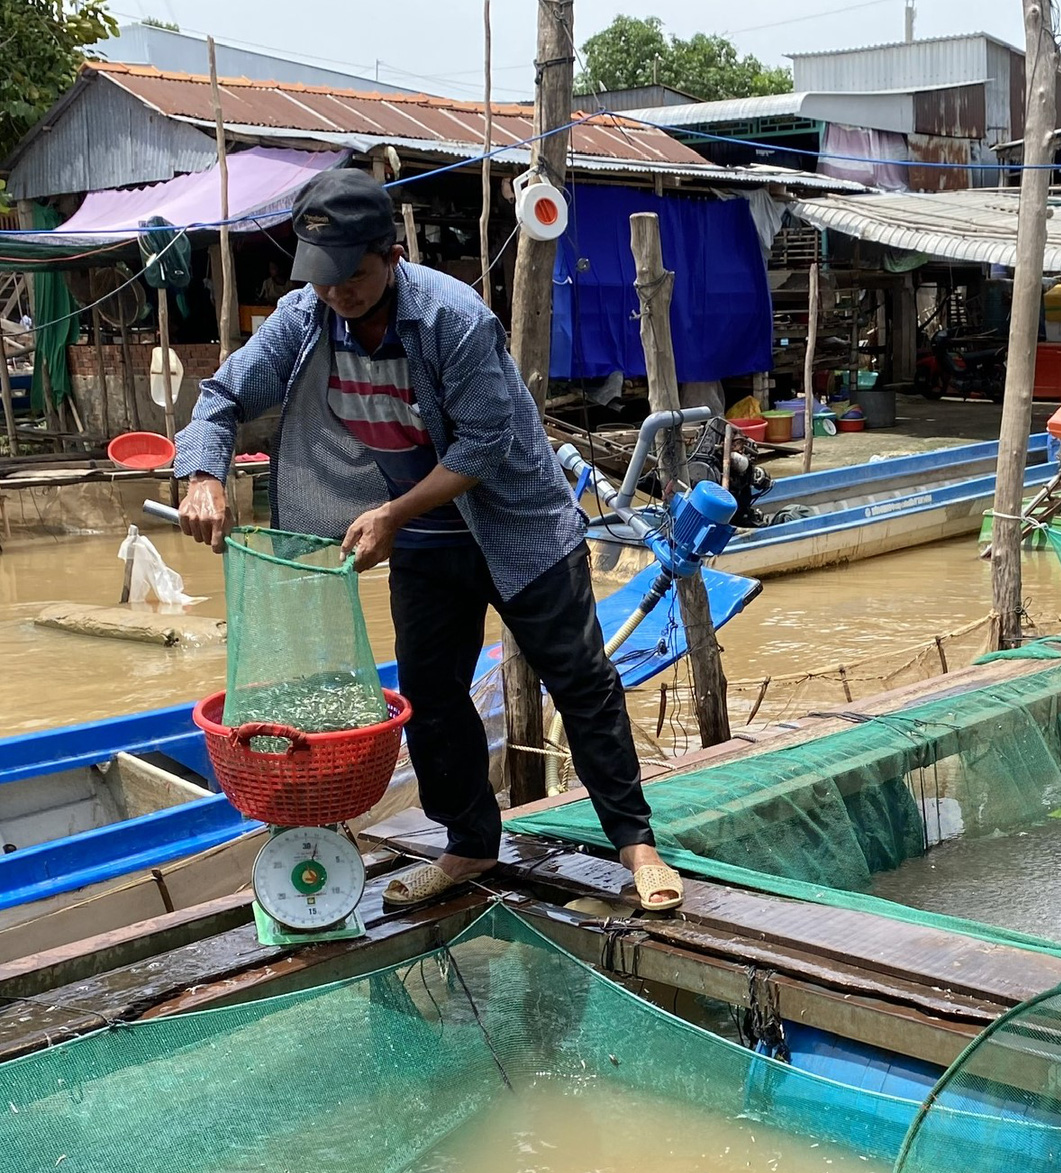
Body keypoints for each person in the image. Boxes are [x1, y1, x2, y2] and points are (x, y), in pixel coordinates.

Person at [172, 168, 681, 913]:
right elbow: (220, 395)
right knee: (433, 694)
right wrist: (202, 474)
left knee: (579, 681)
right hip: (422, 538)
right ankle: (469, 843)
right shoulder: (305, 318)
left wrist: (392, 515)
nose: (337, 292)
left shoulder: (454, 318)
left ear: (389, 255)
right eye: (323, 278)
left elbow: (481, 446)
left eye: (351, 274)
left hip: (518, 527)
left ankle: (637, 844)